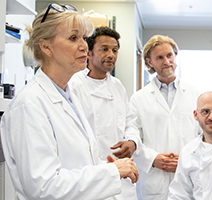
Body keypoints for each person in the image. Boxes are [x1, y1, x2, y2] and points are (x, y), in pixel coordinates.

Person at [0, 3, 138, 199]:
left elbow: (74, 165)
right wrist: (112, 172)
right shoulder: (29, 105)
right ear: (46, 47)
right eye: (73, 38)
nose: (83, 45)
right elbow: (44, 187)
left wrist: (104, 167)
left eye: (83, 38)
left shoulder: (69, 96)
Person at [68, 26, 139, 199]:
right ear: (89, 53)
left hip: (121, 171)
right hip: (91, 173)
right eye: (104, 49)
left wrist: (132, 142)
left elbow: (130, 122)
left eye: (115, 50)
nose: (111, 55)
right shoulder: (73, 85)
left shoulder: (117, 86)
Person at [130, 35, 202, 200]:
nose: (166, 61)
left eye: (169, 55)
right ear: (149, 62)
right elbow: (133, 138)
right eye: (160, 57)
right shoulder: (138, 99)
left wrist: (186, 159)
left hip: (187, 176)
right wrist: (153, 159)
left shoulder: (195, 94)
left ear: (175, 56)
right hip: (154, 181)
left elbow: (203, 136)